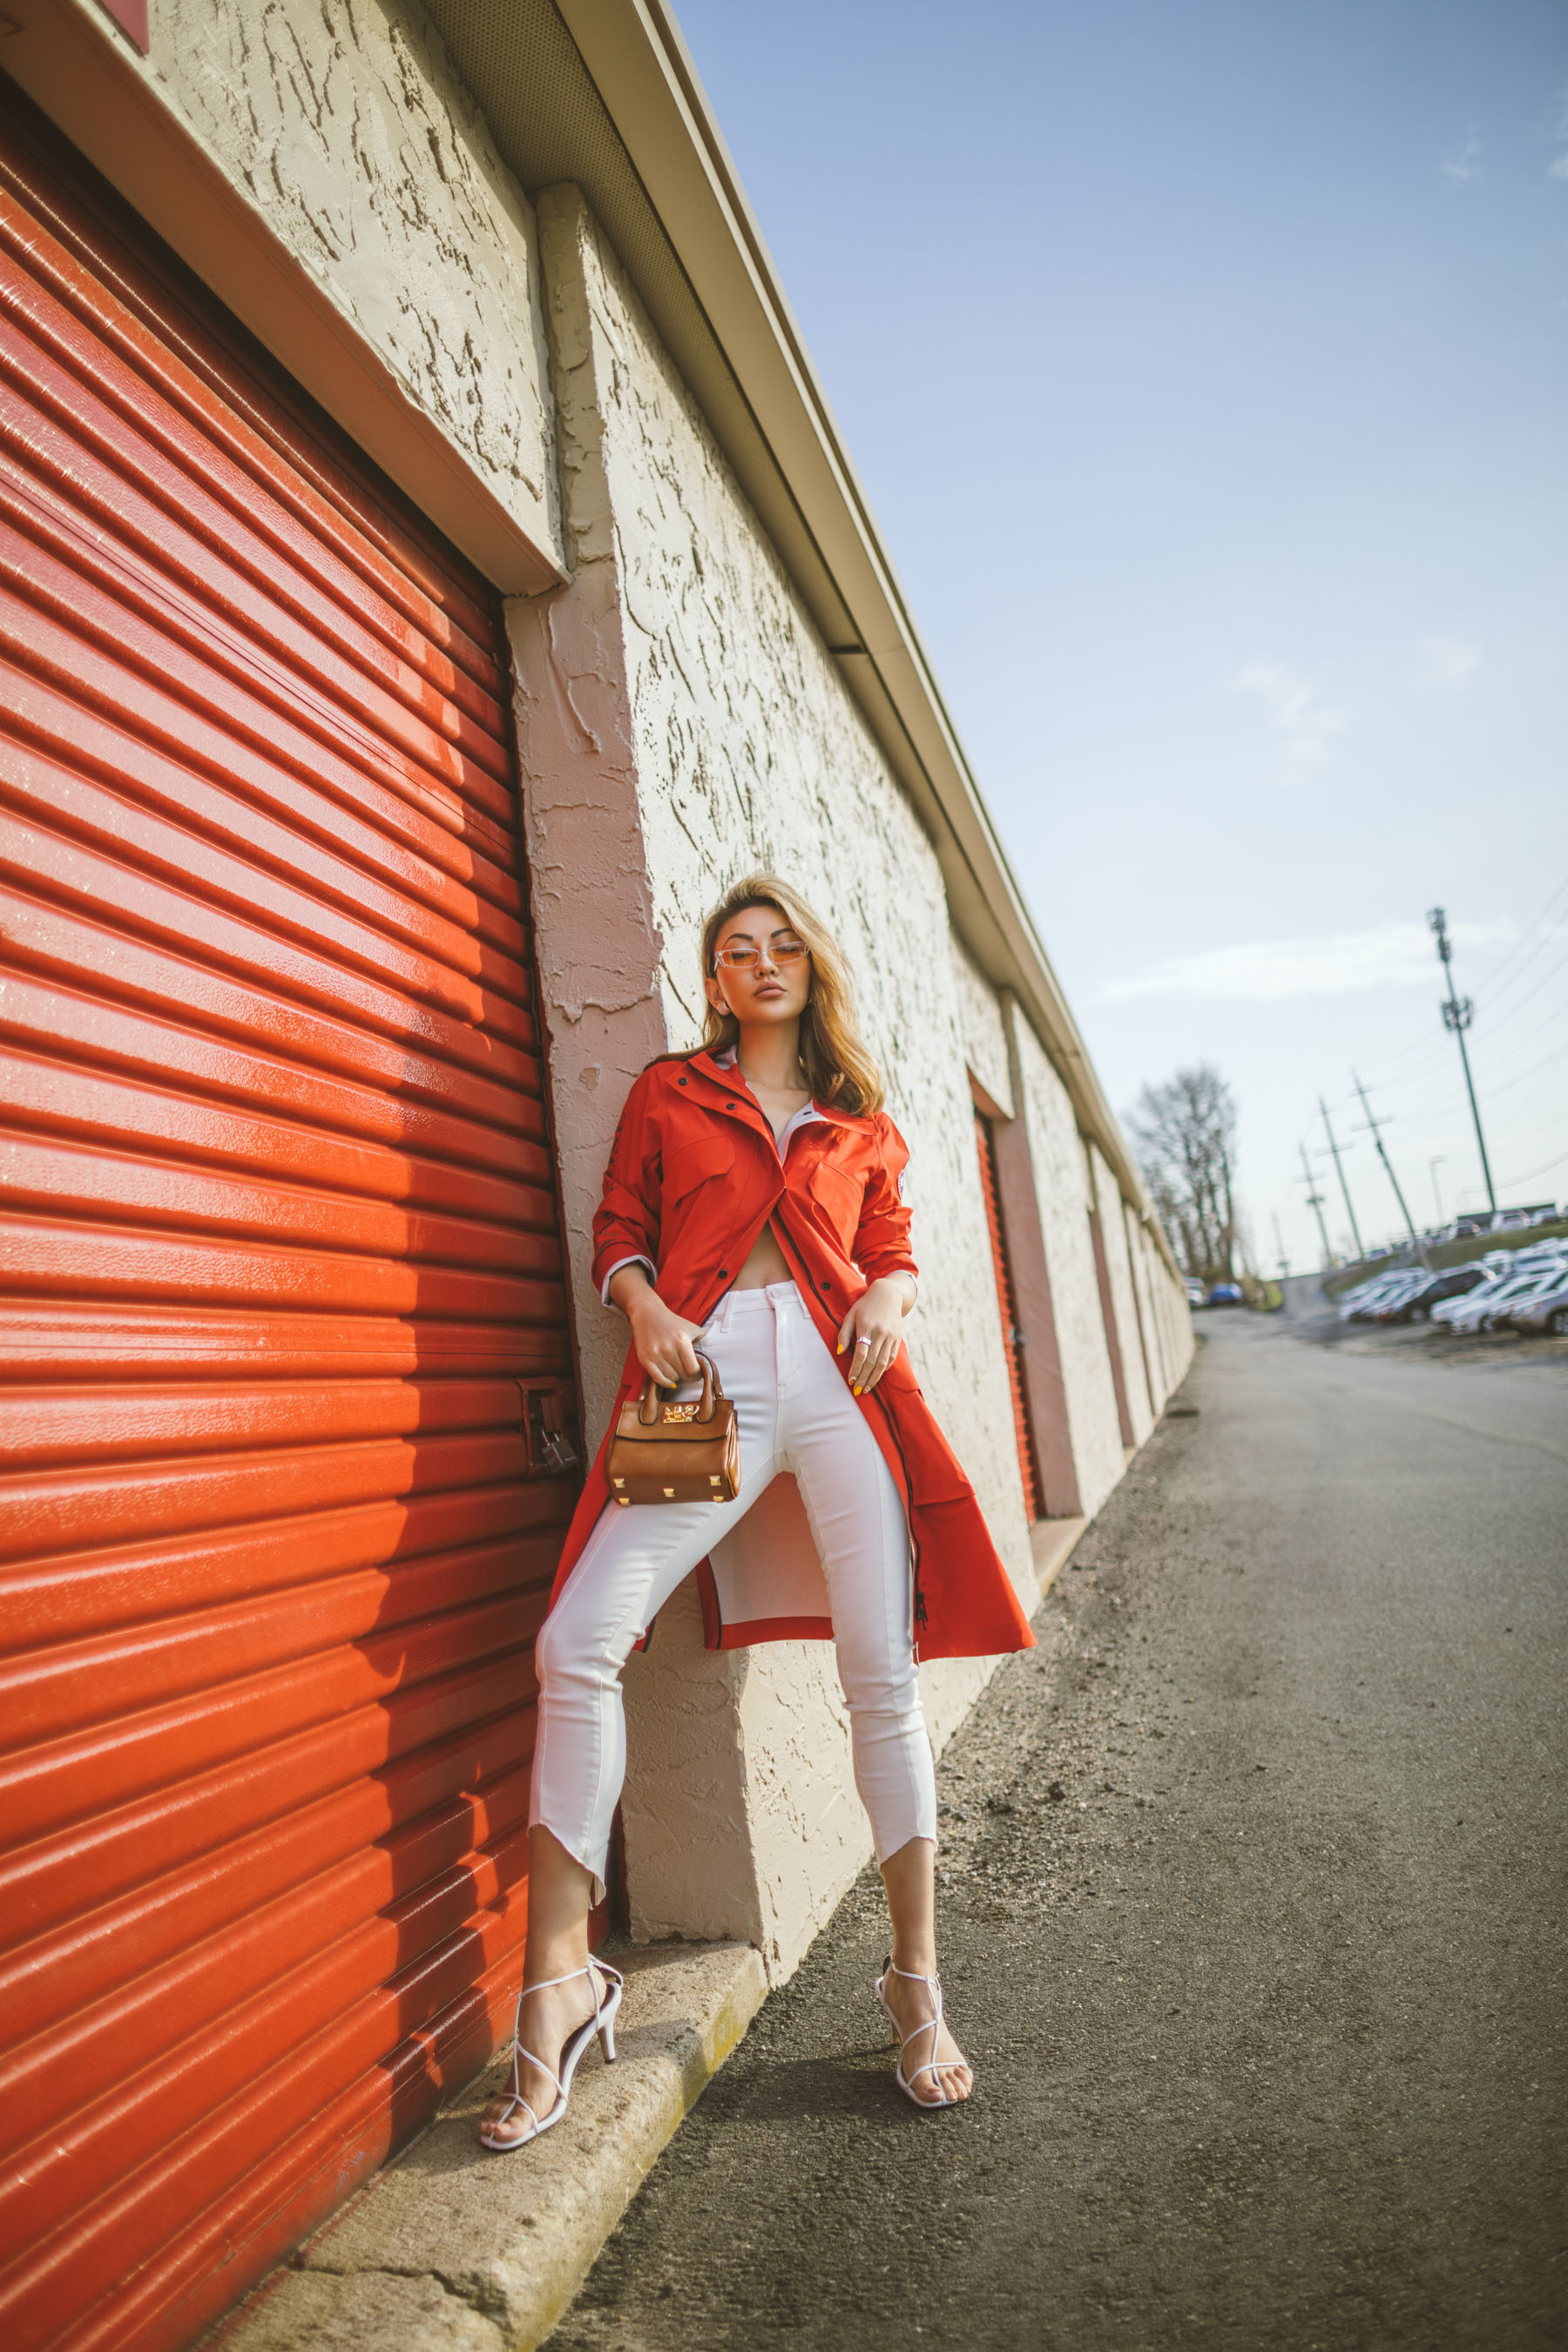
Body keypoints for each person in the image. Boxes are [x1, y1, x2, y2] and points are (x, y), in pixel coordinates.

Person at [479, 876, 1034, 2148]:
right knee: (575, 1643)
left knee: (880, 1677)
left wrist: (891, 1292)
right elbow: (618, 1222)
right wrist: (646, 1304)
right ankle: (559, 1981)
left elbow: (890, 1239)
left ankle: (915, 1985)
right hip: (707, 1372)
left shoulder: (858, 1119)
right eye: (739, 949)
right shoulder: (671, 1091)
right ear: (715, 979)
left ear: (811, 968)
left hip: (844, 1381)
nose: (764, 962)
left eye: (785, 945)